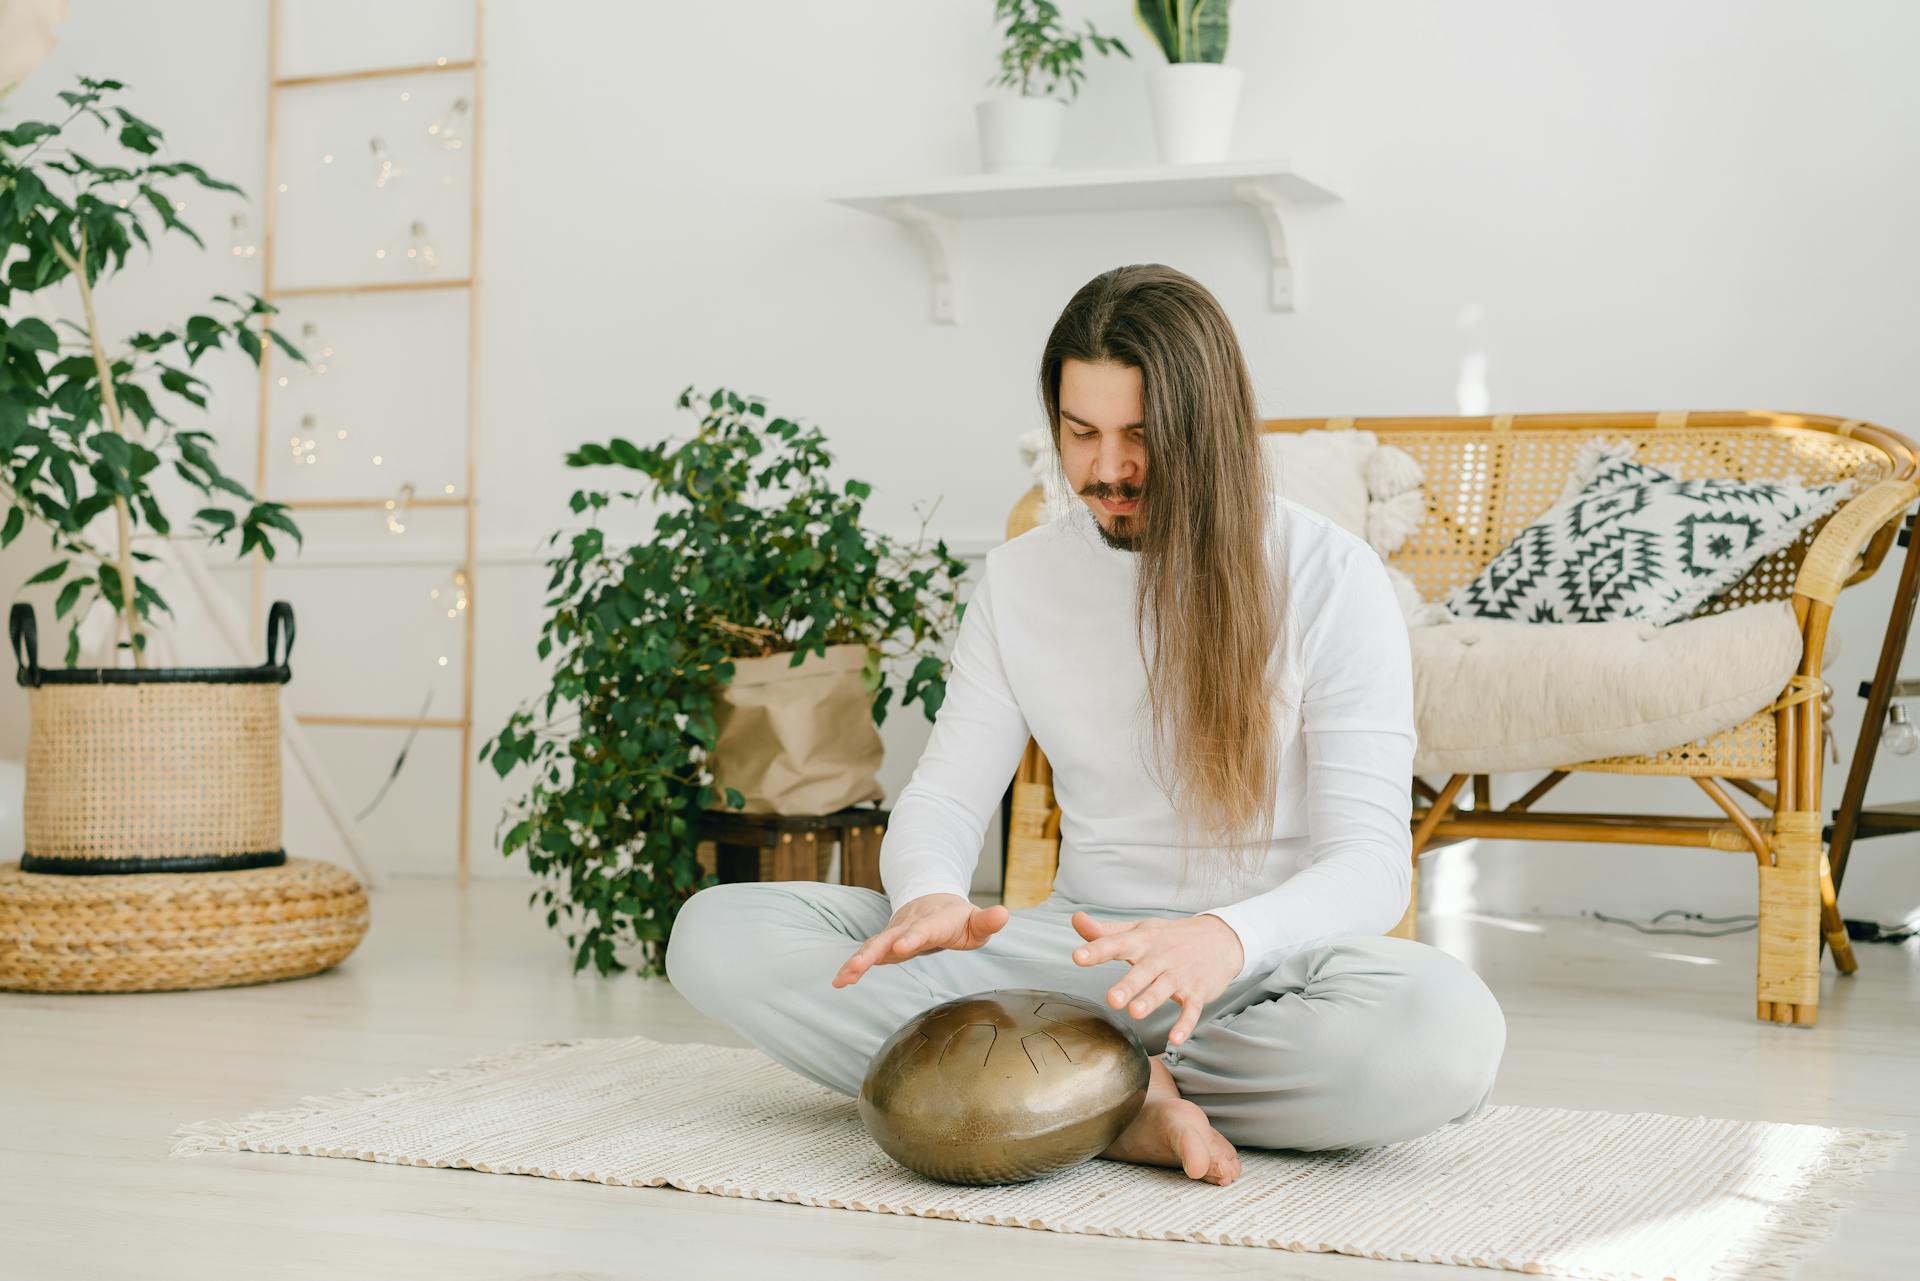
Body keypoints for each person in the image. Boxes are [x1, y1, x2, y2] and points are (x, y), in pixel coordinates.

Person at [667, 264, 1507, 1187]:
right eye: (1081, 433)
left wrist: (1219, 937)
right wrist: (928, 895)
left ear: (1207, 429)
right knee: (716, 932)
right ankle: (1126, 1101)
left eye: (1140, 437)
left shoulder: (1328, 574)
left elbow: (1371, 866)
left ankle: (1046, 1094)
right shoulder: (1021, 578)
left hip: (1263, 974)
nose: (1107, 469)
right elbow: (947, 791)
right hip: (1069, 961)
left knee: (1443, 1030)